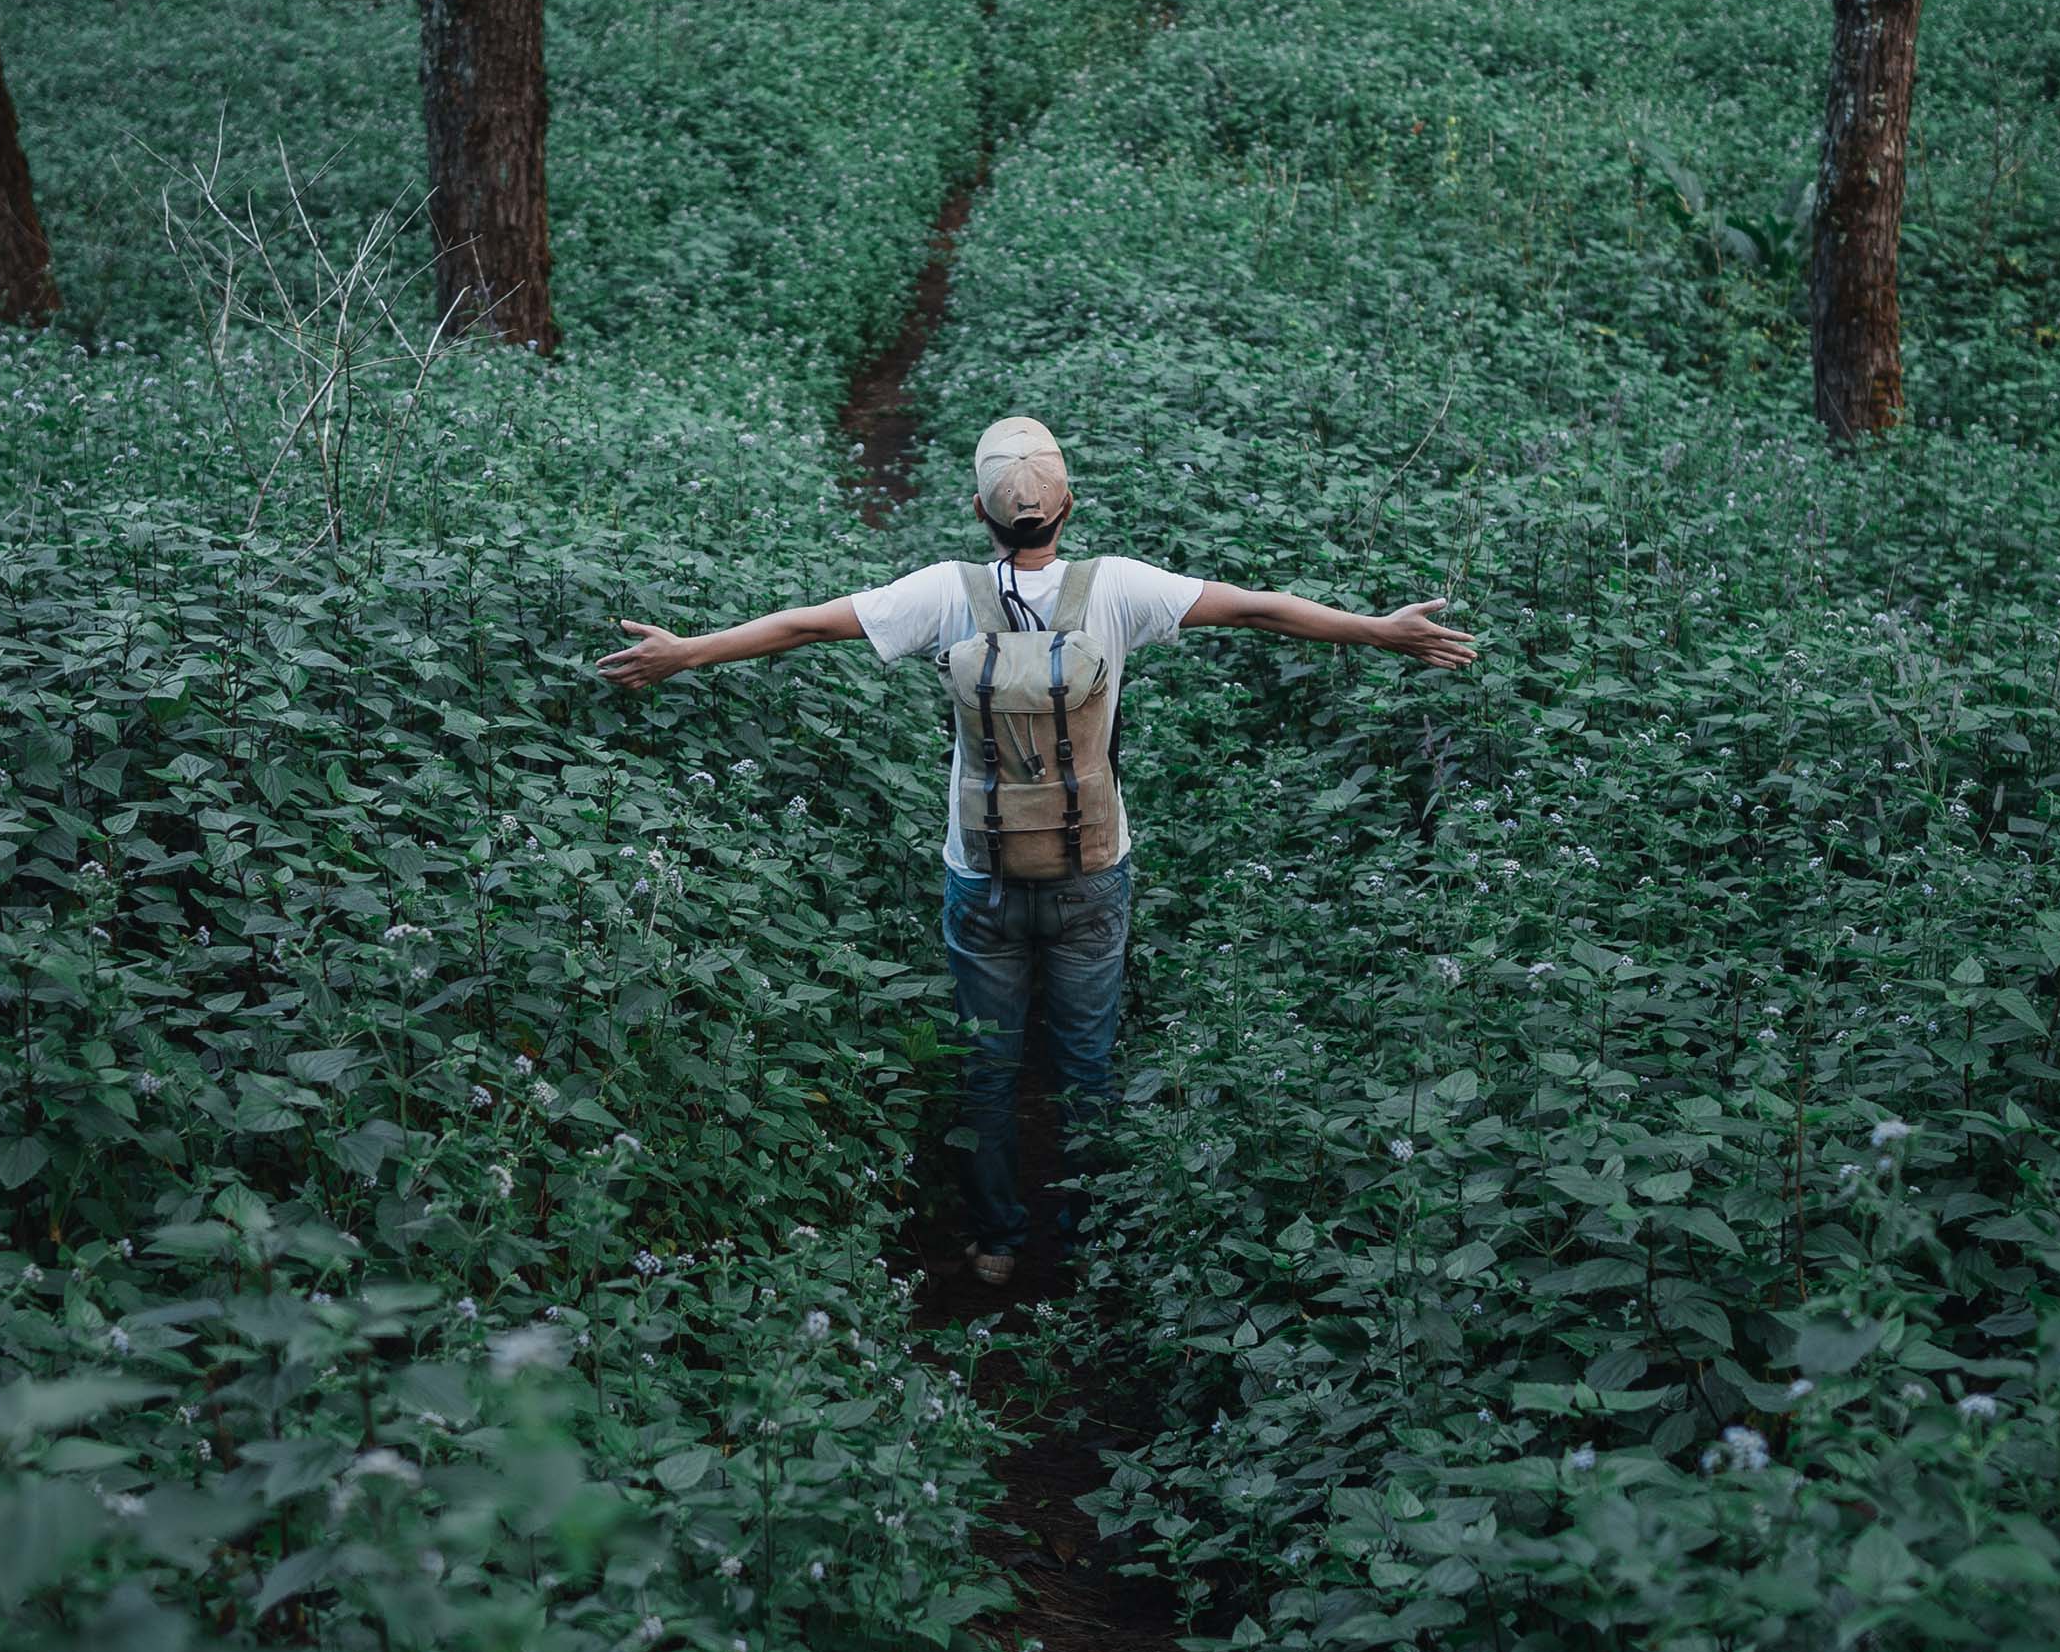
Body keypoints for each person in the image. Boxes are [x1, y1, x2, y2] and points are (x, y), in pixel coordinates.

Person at [595, 416, 1475, 1285]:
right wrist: (1381, 630)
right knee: (1087, 1063)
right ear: (1068, 508)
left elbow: (800, 627)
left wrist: (686, 653)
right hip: (1092, 866)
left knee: (989, 1061)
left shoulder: (945, 593)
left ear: (976, 510)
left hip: (981, 870)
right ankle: (1094, 1239)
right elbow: (1259, 610)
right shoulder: (1119, 587)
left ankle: (996, 1243)